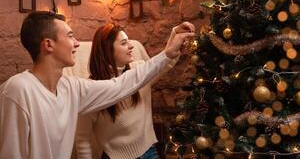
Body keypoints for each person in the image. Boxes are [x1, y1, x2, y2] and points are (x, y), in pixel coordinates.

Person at [0, 11, 195, 159]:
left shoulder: (72, 88)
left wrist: (168, 52)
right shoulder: (18, 89)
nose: (77, 43)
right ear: (48, 45)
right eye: (70, 36)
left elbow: (121, 85)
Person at [75, 24, 178, 159]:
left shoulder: (140, 69)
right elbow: (82, 140)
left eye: (129, 41)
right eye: (124, 43)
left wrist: (176, 38)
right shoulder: (93, 90)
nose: (131, 46)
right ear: (107, 50)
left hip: (149, 151)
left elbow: (164, 64)